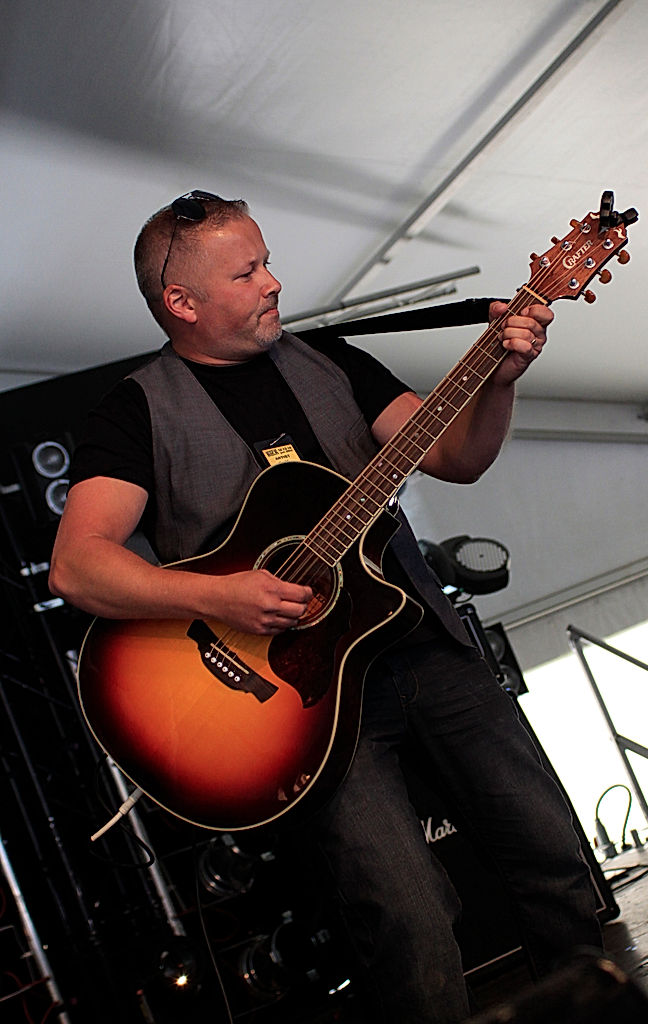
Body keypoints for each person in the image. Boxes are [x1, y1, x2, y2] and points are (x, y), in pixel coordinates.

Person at [49, 191, 603, 1023]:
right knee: (407, 922)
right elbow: (78, 566)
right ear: (182, 303)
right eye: (248, 271)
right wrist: (220, 592)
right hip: (295, 702)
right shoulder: (135, 411)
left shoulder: (329, 361)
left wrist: (498, 379)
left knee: (553, 860)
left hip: (425, 650)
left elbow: (455, 456)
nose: (275, 282)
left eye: (267, 259)